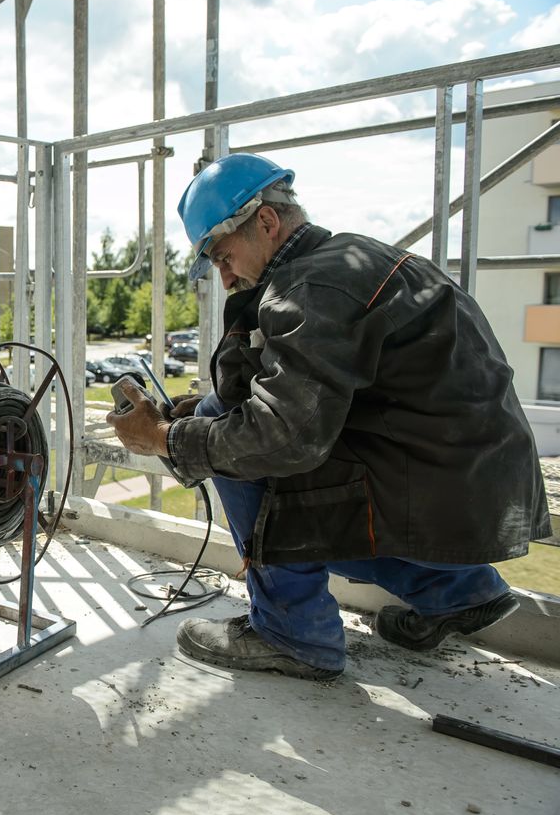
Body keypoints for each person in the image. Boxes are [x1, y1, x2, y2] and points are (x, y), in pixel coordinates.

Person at [107, 152, 548, 681]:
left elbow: (282, 437)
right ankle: (457, 591)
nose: (225, 279)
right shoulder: (353, 259)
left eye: (222, 257)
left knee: (237, 436)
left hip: (437, 487)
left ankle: (291, 632)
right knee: (219, 418)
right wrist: (192, 418)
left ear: (266, 223)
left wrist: (164, 438)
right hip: (471, 487)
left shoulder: (310, 287)